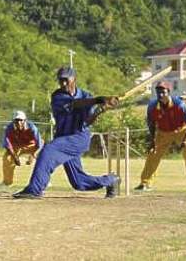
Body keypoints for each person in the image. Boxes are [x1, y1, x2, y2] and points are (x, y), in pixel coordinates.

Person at [13, 67, 120, 199]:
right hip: (63, 138)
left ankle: (34, 189)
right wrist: (99, 100)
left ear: (74, 79)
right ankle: (111, 180)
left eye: (65, 80)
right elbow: (75, 104)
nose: (63, 84)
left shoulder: (86, 95)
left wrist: (100, 109)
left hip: (78, 138)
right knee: (78, 182)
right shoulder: (57, 96)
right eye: (60, 80)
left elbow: (88, 120)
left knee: (48, 151)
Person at [134, 81, 186, 192]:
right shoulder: (152, 106)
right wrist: (152, 140)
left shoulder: (179, 104)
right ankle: (145, 183)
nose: (161, 95)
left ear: (168, 92)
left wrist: (185, 141)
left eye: (163, 92)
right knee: (153, 154)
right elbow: (151, 124)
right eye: (158, 92)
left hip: (182, 130)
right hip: (163, 132)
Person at [0, 110, 43, 188]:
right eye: (16, 120)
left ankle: (43, 180)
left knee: (42, 158)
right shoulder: (9, 128)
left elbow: (39, 144)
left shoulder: (32, 127)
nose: (19, 122)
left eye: (21, 120)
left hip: (32, 145)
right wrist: (15, 157)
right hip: (17, 146)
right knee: (7, 159)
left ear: (25, 120)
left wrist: (32, 155)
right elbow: (8, 145)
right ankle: (7, 183)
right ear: (13, 121)